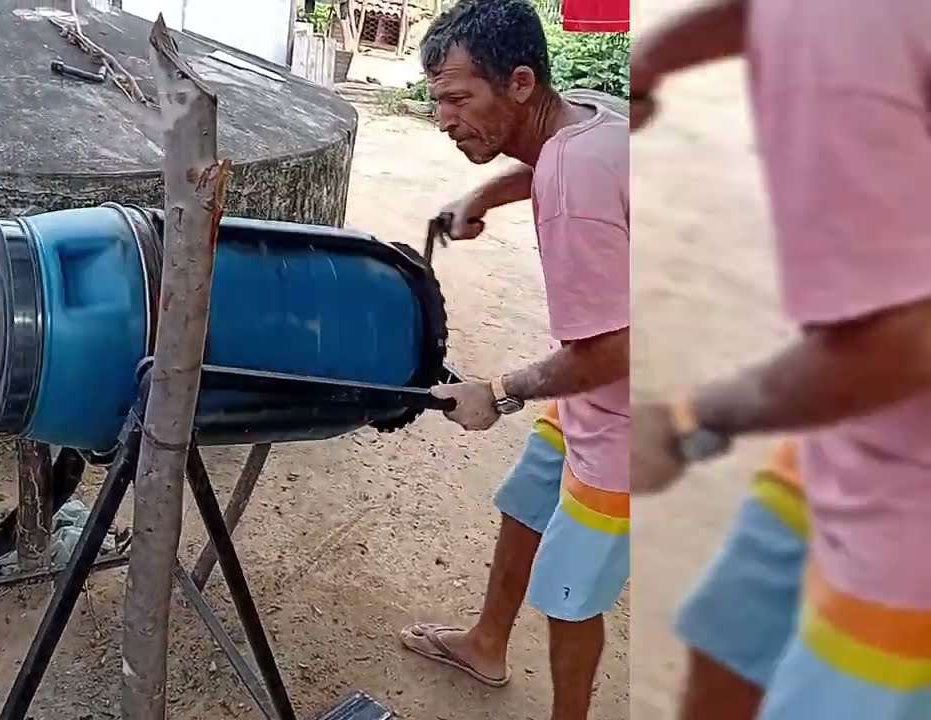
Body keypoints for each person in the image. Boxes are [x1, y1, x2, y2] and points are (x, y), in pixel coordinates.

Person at [631, 1, 931, 719]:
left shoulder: (844, 29)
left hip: (907, 508)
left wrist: (683, 420)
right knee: (731, 642)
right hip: (856, 424)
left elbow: (906, 340)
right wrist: (657, 56)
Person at [397, 2, 630, 719]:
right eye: (437, 99)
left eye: (459, 99)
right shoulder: (594, 113)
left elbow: (613, 351)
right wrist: (487, 191)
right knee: (528, 497)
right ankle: (486, 643)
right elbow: (544, 162)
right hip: (601, 387)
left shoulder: (575, 188)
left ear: (521, 83)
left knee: (568, 590)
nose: (444, 119)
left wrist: (498, 391)